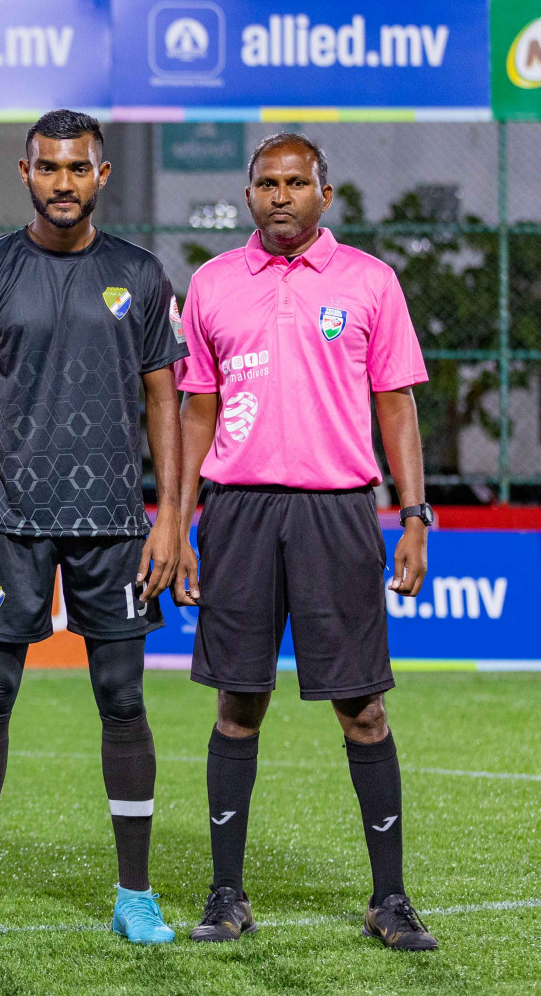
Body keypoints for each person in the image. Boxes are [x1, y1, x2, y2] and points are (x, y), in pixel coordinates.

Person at [173, 133, 437, 951]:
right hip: (239, 512)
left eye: (296, 182)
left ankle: (389, 900)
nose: (280, 196)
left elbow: (396, 404)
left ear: (326, 194)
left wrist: (415, 515)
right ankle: (226, 896)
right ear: (248, 194)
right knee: (238, 704)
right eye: (266, 183)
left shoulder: (369, 282)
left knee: (362, 709)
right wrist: (178, 527)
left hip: (339, 513)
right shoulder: (212, 284)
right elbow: (195, 412)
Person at [0, 110, 187, 945]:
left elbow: (165, 404)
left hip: (116, 522)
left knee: (122, 699)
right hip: (7, 521)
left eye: (78, 169)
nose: (64, 183)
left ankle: (136, 894)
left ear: (102, 175)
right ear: (26, 172)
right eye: (49, 169)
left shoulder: (143, 276)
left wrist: (169, 520)